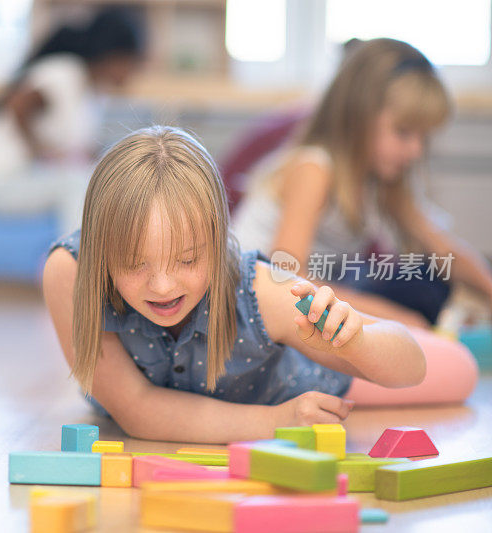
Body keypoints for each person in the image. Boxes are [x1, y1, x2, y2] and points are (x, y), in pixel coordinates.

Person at [42, 126, 477, 444]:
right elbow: (137, 409)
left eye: (188, 260)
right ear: (102, 249)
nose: (162, 286)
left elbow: (411, 368)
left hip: (293, 381)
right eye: (134, 265)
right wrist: (277, 423)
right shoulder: (72, 271)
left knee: (460, 370)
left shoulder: (262, 290)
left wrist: (357, 338)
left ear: (218, 240)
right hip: (278, 409)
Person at [231, 38, 492, 329]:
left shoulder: (382, 182)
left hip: (317, 289)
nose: (416, 151)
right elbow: (286, 278)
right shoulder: (313, 168)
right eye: (404, 133)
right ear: (358, 118)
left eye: (423, 137)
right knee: (406, 305)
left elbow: (444, 248)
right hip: (258, 304)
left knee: (429, 279)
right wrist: (396, 319)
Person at [0, 7, 144, 232]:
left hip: (27, 179)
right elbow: (17, 104)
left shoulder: (95, 93)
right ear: (111, 55)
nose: (132, 73)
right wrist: (41, 153)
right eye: (131, 63)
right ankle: (74, 260)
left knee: (93, 179)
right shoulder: (63, 73)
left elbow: (78, 148)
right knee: (76, 185)